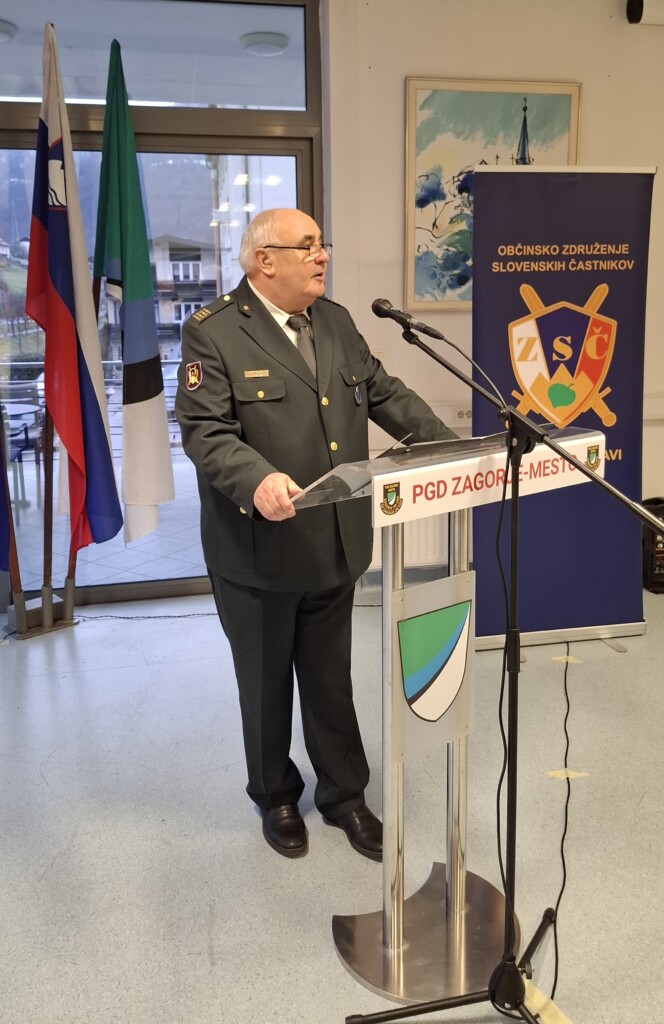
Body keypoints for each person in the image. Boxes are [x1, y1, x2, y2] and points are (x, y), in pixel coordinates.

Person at [175, 208, 457, 861]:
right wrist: (256, 479)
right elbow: (205, 431)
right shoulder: (213, 332)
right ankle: (275, 794)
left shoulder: (334, 321)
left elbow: (383, 394)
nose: (321, 255)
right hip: (258, 551)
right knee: (266, 682)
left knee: (331, 677)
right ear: (263, 260)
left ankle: (344, 796)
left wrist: (452, 448)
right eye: (306, 246)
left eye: (321, 244)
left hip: (334, 541)